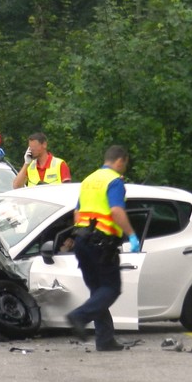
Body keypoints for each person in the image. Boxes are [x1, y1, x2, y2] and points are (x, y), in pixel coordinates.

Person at [66, 145, 139, 351]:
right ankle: (78, 316)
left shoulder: (89, 180)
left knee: (98, 291)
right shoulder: (114, 181)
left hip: (83, 240)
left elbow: (77, 213)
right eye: (125, 164)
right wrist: (131, 235)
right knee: (111, 289)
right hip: (102, 242)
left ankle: (105, 339)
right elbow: (116, 210)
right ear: (120, 161)